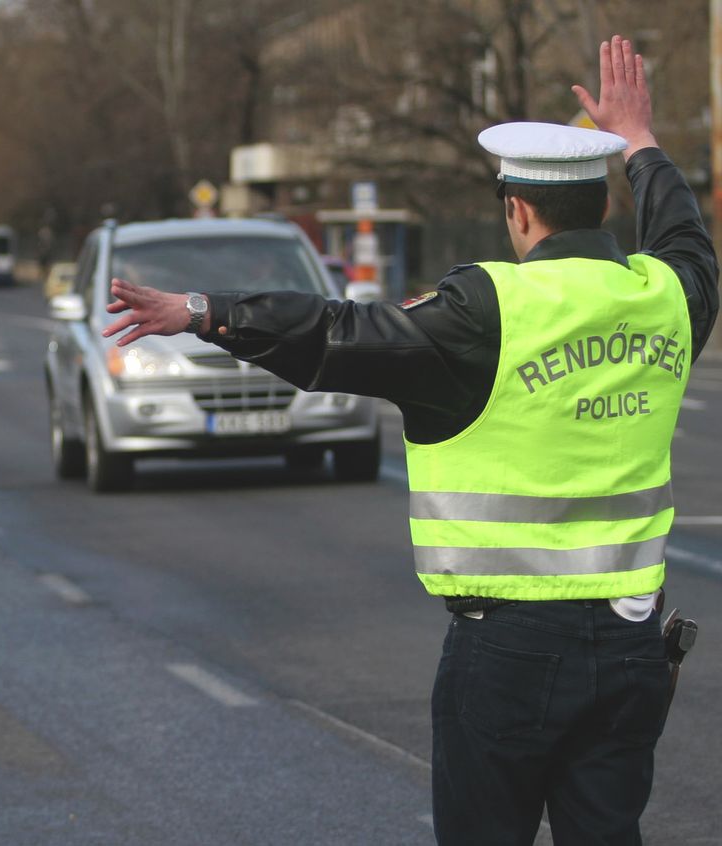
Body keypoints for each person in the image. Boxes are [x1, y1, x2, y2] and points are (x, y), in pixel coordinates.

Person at [102, 35, 718, 845]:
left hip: (510, 653)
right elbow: (688, 243)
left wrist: (206, 311)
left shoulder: (485, 311)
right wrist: (640, 143)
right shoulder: (667, 297)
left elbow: (337, 334)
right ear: (601, 207)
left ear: (518, 211)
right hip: (633, 644)